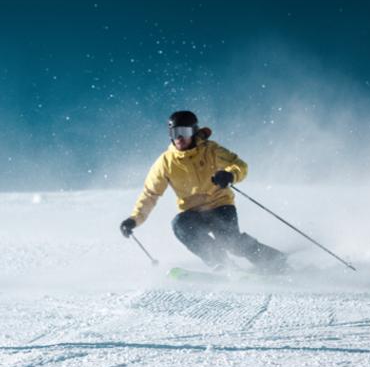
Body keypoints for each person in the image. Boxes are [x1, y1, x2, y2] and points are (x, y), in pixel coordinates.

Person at [119, 110, 288, 273]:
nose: (179, 138)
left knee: (231, 242)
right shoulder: (165, 162)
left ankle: (274, 261)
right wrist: (134, 220)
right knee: (180, 225)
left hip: (220, 206)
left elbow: (239, 165)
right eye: (174, 133)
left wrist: (229, 174)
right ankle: (222, 264)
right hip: (193, 213)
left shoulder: (211, 150)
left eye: (183, 132)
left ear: (193, 132)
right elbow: (150, 194)